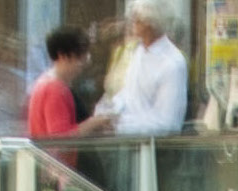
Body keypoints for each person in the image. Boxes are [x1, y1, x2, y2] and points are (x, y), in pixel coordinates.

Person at [80, 0, 184, 137]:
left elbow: (168, 123)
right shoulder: (137, 52)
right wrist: (106, 114)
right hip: (126, 145)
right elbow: (127, 96)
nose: (132, 21)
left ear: (151, 22)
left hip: (155, 150)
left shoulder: (172, 63)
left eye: (138, 18)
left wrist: (121, 126)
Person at [27, 25, 88, 141]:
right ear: (63, 55)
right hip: (53, 158)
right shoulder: (55, 89)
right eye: (80, 56)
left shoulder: (46, 82)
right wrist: (94, 123)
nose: (84, 62)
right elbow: (60, 138)